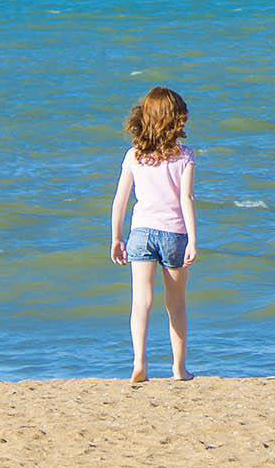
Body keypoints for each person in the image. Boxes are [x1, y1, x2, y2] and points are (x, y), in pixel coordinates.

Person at [108, 86, 198, 382]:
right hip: (173, 233)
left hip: (141, 232)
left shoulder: (134, 155)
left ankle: (139, 363)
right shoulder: (184, 157)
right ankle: (179, 368)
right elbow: (187, 199)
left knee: (140, 302)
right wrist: (194, 241)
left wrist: (116, 237)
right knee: (177, 304)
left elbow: (120, 199)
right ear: (175, 120)